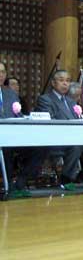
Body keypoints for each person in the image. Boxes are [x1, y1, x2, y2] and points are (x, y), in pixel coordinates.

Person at [36, 70, 83, 191]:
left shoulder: (71, 101)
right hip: (56, 139)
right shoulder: (45, 99)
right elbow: (48, 121)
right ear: (53, 83)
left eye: (68, 81)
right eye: (61, 80)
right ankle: (66, 177)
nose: (65, 83)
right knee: (76, 145)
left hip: (75, 136)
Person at [0, 63, 41, 197]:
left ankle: (21, 181)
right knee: (5, 148)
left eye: (3, 72)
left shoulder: (10, 94)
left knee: (41, 146)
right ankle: (9, 186)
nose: (0, 75)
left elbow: (18, 115)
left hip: (14, 136)